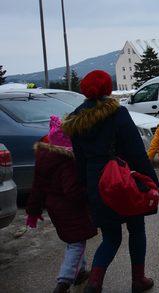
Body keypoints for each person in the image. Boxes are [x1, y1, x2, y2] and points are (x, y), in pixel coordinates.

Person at [62, 70, 158, 293]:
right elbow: (136, 151)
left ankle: (94, 283)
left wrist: (86, 188)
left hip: (97, 182)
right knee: (136, 229)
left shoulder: (76, 119)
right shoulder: (118, 112)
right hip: (122, 178)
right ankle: (138, 279)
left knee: (111, 236)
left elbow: (80, 160)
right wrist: (150, 180)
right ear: (107, 89)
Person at [26, 116, 97, 293]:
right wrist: (89, 196)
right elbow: (72, 190)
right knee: (77, 243)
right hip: (70, 208)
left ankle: (80, 271)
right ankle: (63, 281)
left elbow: (37, 186)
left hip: (54, 207)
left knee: (73, 240)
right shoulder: (67, 160)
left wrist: (33, 210)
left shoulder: (44, 156)